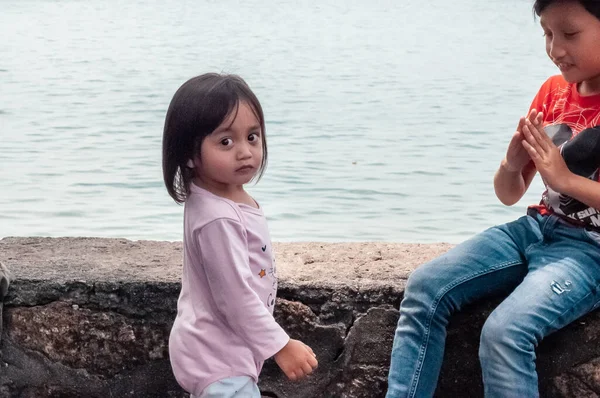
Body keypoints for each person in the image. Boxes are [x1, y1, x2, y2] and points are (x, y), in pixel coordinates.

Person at [386, 0, 600, 397]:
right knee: (424, 287)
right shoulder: (553, 93)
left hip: (589, 252)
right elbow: (509, 193)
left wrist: (565, 179)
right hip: (535, 228)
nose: (555, 49)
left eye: (569, 34)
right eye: (547, 35)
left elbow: (561, 178)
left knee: (505, 332)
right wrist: (511, 162)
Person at [162, 73, 318, 398]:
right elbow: (234, 297)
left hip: (221, 348)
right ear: (190, 154)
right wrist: (281, 345)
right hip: (217, 355)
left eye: (252, 136)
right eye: (225, 142)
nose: (245, 152)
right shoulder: (216, 218)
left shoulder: (220, 195)